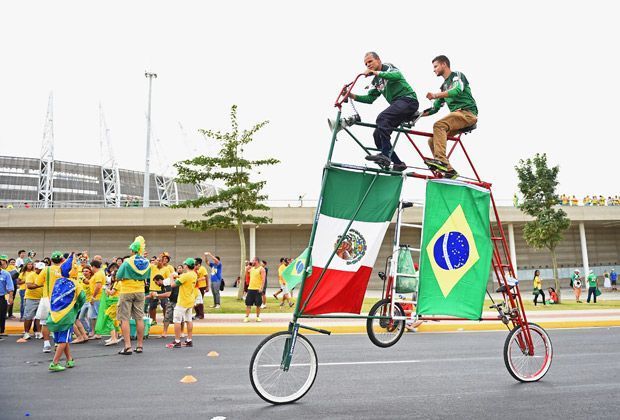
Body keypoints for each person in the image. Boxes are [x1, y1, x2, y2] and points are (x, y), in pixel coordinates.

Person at [348, 51, 419, 172]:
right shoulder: (376, 81)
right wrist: (352, 95)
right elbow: (370, 98)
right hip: (398, 106)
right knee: (377, 134)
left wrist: (376, 72)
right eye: (366, 64)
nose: (368, 65)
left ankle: (385, 155)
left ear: (378, 60)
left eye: (370, 61)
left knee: (382, 118)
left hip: (408, 100)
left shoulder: (387, 67)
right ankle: (398, 163)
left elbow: (397, 76)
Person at [422, 55, 478, 179]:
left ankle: (441, 161)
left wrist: (435, 95)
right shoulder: (443, 87)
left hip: (467, 114)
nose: (434, 69)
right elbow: (435, 108)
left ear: (444, 64)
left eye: (435, 66)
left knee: (439, 125)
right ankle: (449, 170)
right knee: (432, 141)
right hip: (457, 118)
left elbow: (457, 90)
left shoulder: (457, 76)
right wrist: (417, 115)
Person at [46, 253, 85, 372]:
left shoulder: (58, 281)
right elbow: (82, 298)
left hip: (54, 315)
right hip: (66, 316)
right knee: (63, 340)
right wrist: (76, 307)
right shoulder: (74, 283)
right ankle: (54, 362)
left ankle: (69, 359)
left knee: (63, 339)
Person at [115, 236, 151, 355]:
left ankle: (127, 346)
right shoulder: (147, 262)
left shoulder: (127, 262)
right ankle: (140, 346)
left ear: (132, 250)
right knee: (139, 318)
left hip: (126, 291)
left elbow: (118, 276)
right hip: (140, 291)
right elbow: (146, 277)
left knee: (124, 319)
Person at [34, 251, 65, 353]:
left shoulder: (46, 270)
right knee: (59, 322)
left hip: (46, 298)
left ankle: (46, 344)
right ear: (62, 260)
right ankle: (57, 343)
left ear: (51, 260)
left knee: (45, 322)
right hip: (60, 299)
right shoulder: (65, 270)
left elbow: (38, 283)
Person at [168, 258, 198, 348]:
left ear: (186, 265)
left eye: (184, 264)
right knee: (189, 320)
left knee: (177, 321)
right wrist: (177, 276)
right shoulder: (194, 274)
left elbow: (173, 285)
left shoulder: (186, 276)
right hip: (190, 301)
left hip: (182, 302)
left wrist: (171, 277)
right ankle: (189, 340)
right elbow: (183, 278)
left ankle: (177, 341)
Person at [23, 262, 44, 339]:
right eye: (40, 269)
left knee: (39, 316)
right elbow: (29, 286)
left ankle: (38, 332)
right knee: (29, 316)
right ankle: (26, 333)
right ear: (36, 269)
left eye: (43, 269)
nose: (42, 271)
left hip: (42, 298)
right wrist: (40, 285)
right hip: (31, 298)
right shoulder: (31, 275)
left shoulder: (44, 275)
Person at [244, 257, 266, 322]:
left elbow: (263, 279)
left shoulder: (262, 269)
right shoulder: (252, 268)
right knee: (248, 304)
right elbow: (247, 276)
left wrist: (261, 287)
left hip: (257, 289)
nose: (252, 262)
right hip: (250, 288)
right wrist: (246, 270)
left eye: (253, 260)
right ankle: (247, 317)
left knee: (258, 304)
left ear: (256, 261)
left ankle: (258, 317)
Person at [89, 260, 106, 339]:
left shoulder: (99, 274)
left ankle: (98, 333)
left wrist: (93, 296)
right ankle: (95, 332)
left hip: (98, 297)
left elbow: (98, 286)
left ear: (93, 266)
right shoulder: (98, 274)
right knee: (93, 316)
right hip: (96, 297)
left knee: (97, 315)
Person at [0, 255, 15, 338]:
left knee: (2, 314)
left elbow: (10, 287)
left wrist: (11, 297)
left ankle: (1, 331)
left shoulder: (6, 274)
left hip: (1, 297)